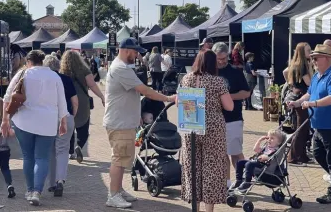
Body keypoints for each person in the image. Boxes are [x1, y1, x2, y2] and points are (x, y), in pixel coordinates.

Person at [103, 38, 177, 209]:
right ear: (127, 50)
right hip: (119, 123)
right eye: (135, 52)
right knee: (119, 159)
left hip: (124, 121)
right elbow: (144, 90)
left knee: (123, 159)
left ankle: (118, 190)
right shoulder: (120, 68)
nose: (137, 55)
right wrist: (168, 98)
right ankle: (112, 195)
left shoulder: (121, 67)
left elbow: (134, 94)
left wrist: (137, 114)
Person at [1, 50, 68, 206]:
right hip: (48, 122)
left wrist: (5, 119)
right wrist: (63, 121)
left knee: (28, 156)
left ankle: (30, 190)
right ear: (42, 61)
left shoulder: (22, 74)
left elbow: (7, 97)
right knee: (42, 157)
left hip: (24, 122)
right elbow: (61, 101)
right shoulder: (54, 76)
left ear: (28, 61)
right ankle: (37, 191)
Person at [288, 44, 331, 204]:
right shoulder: (317, 76)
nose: (313, 61)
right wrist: (297, 103)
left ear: (328, 59)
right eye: (312, 58)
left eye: (316, 58)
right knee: (317, 154)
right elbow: (309, 93)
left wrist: (313, 104)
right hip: (319, 125)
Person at [180, 50, 234, 212]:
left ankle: (194, 207)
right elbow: (229, 106)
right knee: (212, 167)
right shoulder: (217, 82)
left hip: (191, 126)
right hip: (213, 128)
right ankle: (208, 210)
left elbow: (181, 102)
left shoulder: (186, 78)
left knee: (192, 166)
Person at [212, 42, 250, 189]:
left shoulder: (235, 71)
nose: (221, 62)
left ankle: (245, 179)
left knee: (235, 152)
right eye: (218, 59)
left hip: (233, 118)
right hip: (214, 119)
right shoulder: (209, 71)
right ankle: (226, 183)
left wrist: (227, 97)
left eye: (224, 59)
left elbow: (246, 92)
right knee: (221, 154)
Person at [60, 50, 105, 163]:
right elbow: (92, 85)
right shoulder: (84, 70)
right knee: (84, 128)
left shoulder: (62, 71)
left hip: (67, 101)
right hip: (83, 101)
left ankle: (70, 152)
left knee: (70, 127)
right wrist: (102, 97)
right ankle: (79, 146)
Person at [43, 55, 78, 197]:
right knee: (62, 150)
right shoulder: (66, 79)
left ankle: (51, 183)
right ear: (58, 66)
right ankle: (60, 181)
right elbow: (75, 101)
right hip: (65, 116)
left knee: (50, 151)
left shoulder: (43, 81)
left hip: (48, 119)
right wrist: (72, 116)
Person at [283, 42, 312, 166]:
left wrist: (291, 84)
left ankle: (302, 155)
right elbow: (310, 83)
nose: (310, 52)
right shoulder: (303, 66)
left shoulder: (294, 64)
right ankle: (293, 157)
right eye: (308, 50)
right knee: (302, 128)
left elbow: (285, 72)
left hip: (295, 96)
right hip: (301, 99)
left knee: (301, 127)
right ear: (302, 52)